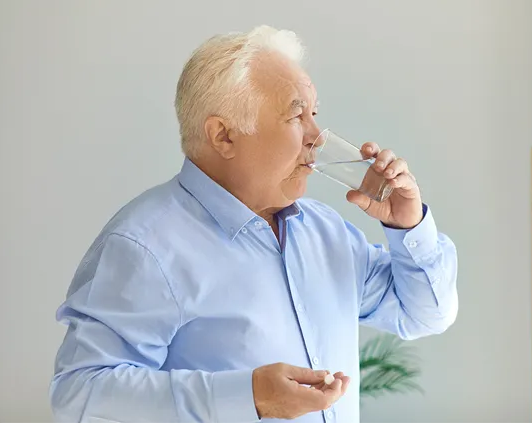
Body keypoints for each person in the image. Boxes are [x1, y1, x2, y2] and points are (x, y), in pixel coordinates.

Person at [49, 25, 459, 423]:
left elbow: (424, 314)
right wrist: (248, 398)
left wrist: (409, 227)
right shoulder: (144, 246)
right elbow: (81, 395)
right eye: (297, 116)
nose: (317, 136)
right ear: (223, 136)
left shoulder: (324, 231)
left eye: (314, 114)